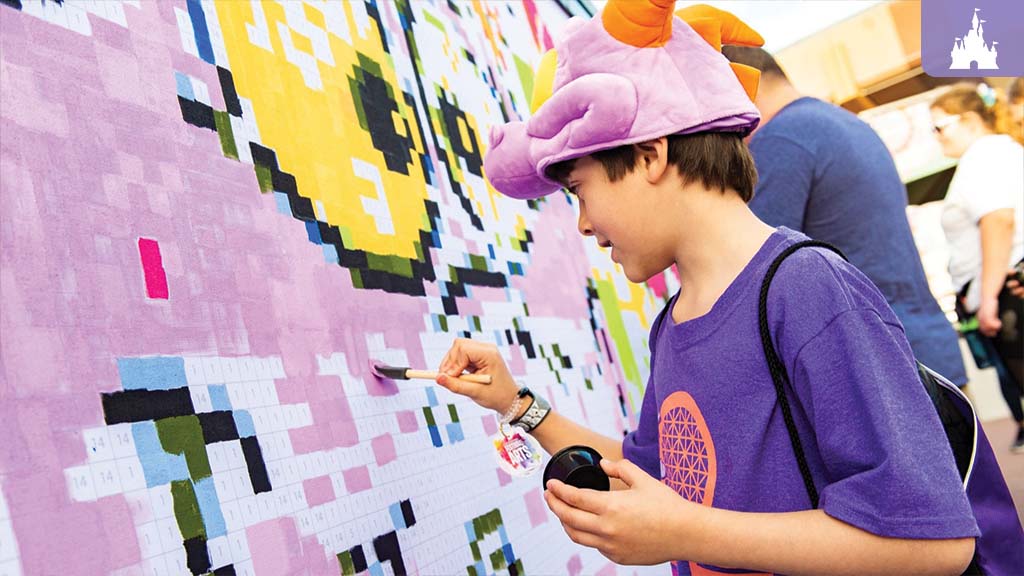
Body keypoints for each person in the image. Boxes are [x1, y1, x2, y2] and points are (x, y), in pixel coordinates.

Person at [435, 3, 1022, 574]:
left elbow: (934, 543)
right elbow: (655, 473)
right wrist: (515, 404)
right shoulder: (673, 325)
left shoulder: (808, 290)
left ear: (649, 153)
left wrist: (684, 532)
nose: (584, 223)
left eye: (581, 191)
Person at [718, 45, 969, 391]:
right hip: (924, 348)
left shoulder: (782, 140)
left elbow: (745, 272)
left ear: (735, 85)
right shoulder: (841, 122)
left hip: (884, 369)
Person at [931, 83, 1024, 453]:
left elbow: (998, 220)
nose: (935, 138)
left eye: (940, 127)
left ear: (969, 121)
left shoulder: (984, 156)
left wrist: (987, 299)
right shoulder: (998, 152)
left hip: (1007, 294)